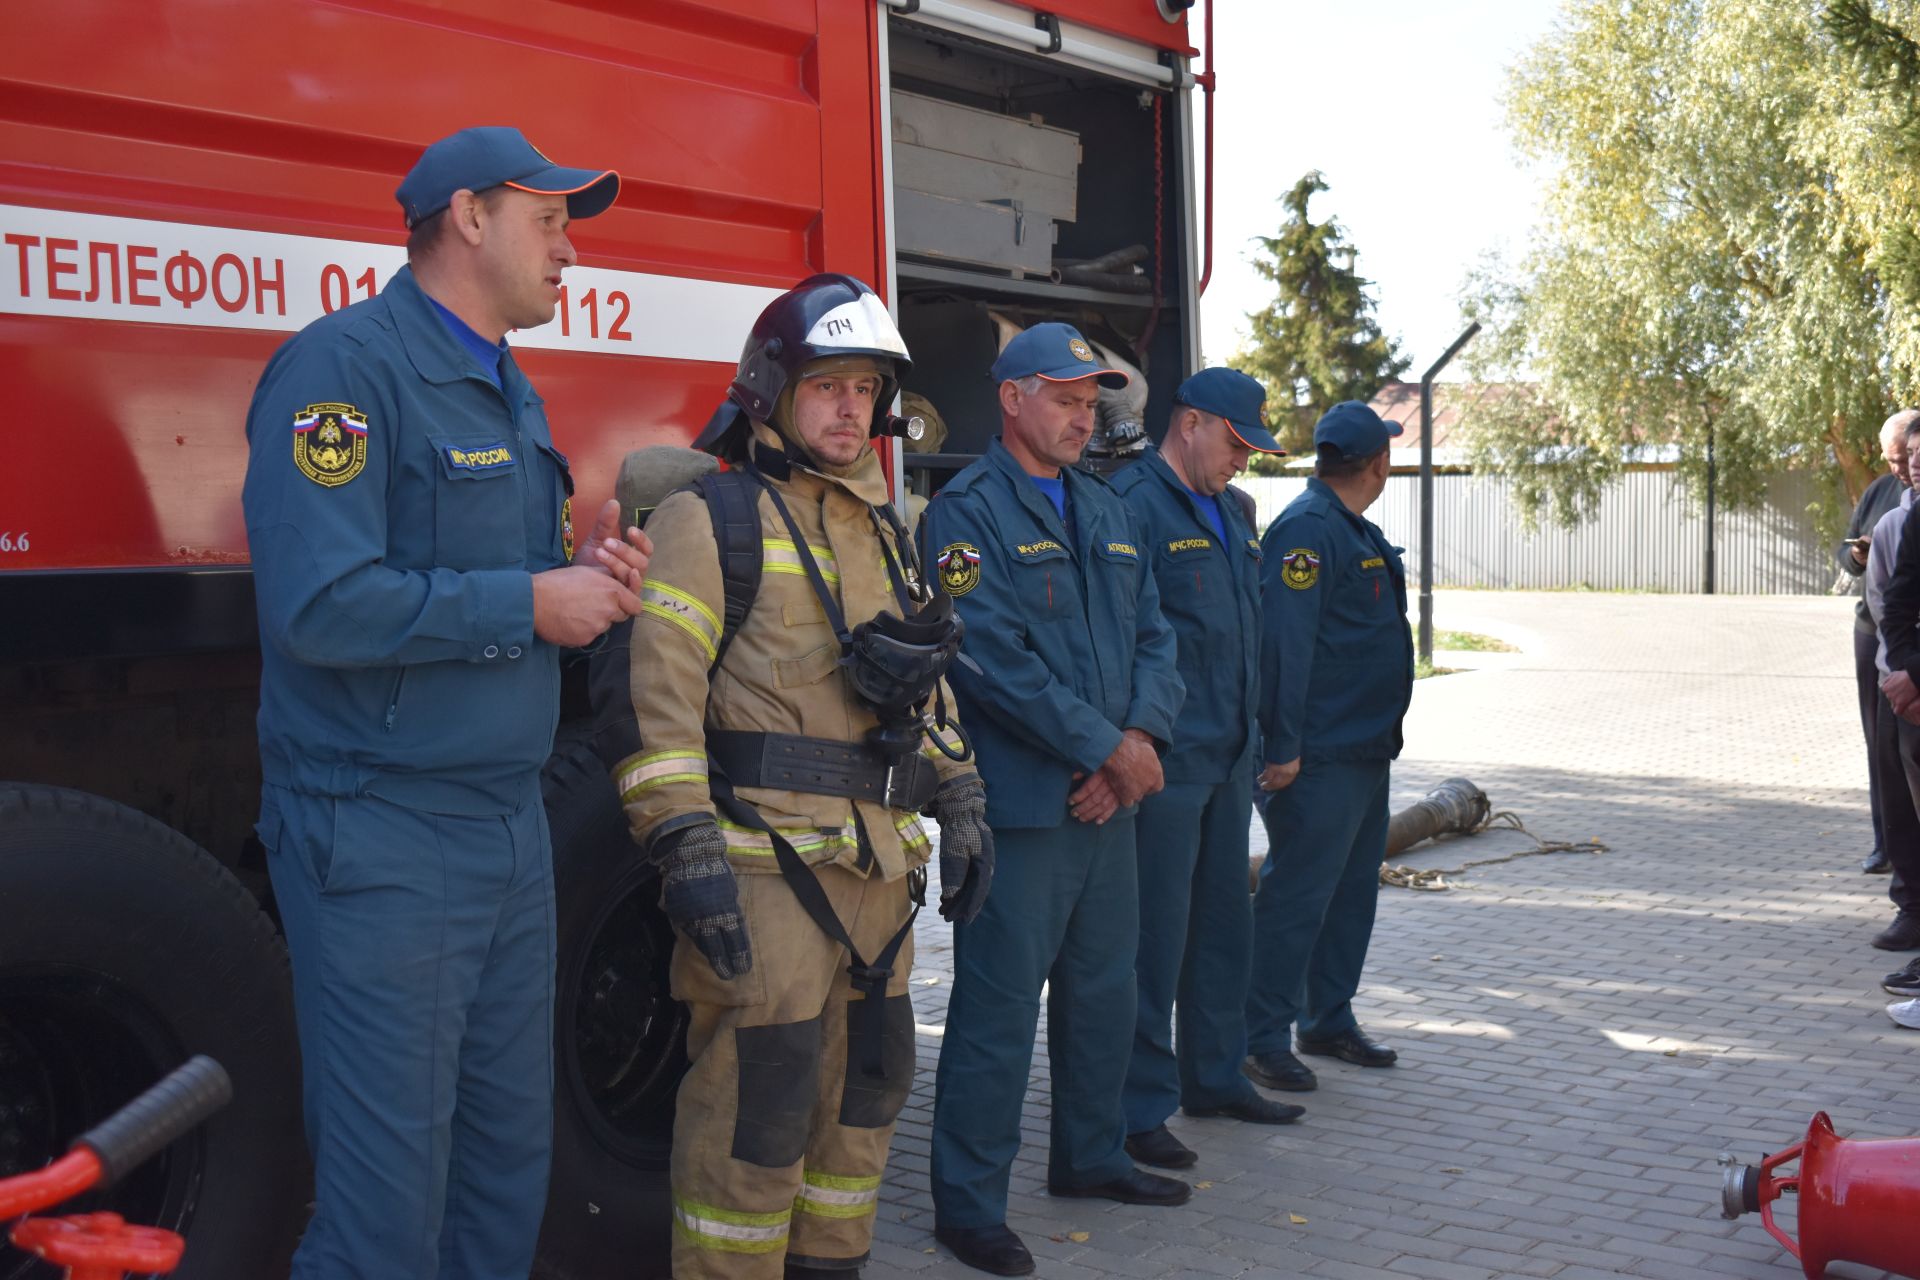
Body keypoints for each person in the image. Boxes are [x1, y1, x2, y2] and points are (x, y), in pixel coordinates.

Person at [241, 126, 648, 1279]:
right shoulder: (344, 371)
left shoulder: (507, 389)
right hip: (385, 834)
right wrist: (527, 601)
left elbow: (498, 593)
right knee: (383, 1218)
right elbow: (319, 605)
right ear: (467, 216)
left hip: (506, 829)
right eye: (551, 219)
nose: (571, 250)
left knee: (504, 1181)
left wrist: (591, 586)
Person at [619, 274, 992, 1280]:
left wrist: (959, 796)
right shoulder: (712, 521)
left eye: (866, 390)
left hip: (880, 880)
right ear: (772, 390)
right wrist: (683, 844)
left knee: (861, 1114)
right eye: (828, 385)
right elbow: (656, 705)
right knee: (754, 1120)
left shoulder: (885, 529)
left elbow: (925, 682)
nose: (850, 410)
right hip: (765, 880)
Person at [922, 323, 1187, 1277]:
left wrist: (1140, 745)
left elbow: (1157, 635)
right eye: (1067, 400)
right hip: (1027, 810)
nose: (1085, 418)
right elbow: (990, 659)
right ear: (1011, 398)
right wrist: (1103, 748)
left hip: (1104, 802)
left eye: (1091, 403)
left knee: (1103, 993)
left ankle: (1090, 1155)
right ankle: (968, 1205)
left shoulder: (1109, 509)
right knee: (998, 1015)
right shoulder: (965, 512)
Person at [1110, 368, 1303, 1173]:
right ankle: (1136, 1109)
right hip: (1164, 763)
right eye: (1234, 442)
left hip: (1227, 760)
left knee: (1225, 928)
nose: (1242, 460)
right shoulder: (1130, 504)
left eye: (1253, 449)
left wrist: (1264, 738)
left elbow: (1246, 631)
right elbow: (1124, 639)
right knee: (1153, 942)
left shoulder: (1239, 511)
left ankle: (1215, 1077)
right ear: (1188, 422)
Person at [1243, 400, 1414, 1095]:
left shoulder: (1349, 527)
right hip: (1315, 756)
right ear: (1379, 463)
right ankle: (1260, 1037)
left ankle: (1326, 1017)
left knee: (1348, 893)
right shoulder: (1308, 532)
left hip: (1363, 748)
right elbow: (1283, 647)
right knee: (1297, 897)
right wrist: (1281, 747)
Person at [1841, 413, 1915, 875]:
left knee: (1905, 749)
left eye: (1904, 457)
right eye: (1893, 459)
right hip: (1872, 634)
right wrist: (1854, 554)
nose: (1899, 468)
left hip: (1905, 644)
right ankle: (1883, 843)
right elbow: (1844, 554)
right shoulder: (1879, 493)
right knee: (1880, 744)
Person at [1862, 412, 1920, 955]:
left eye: (1910, 460)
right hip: (1898, 682)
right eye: (1906, 462)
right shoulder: (1893, 520)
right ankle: (1911, 908)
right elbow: (1889, 606)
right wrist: (1904, 676)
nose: (1905, 470)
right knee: (1901, 800)